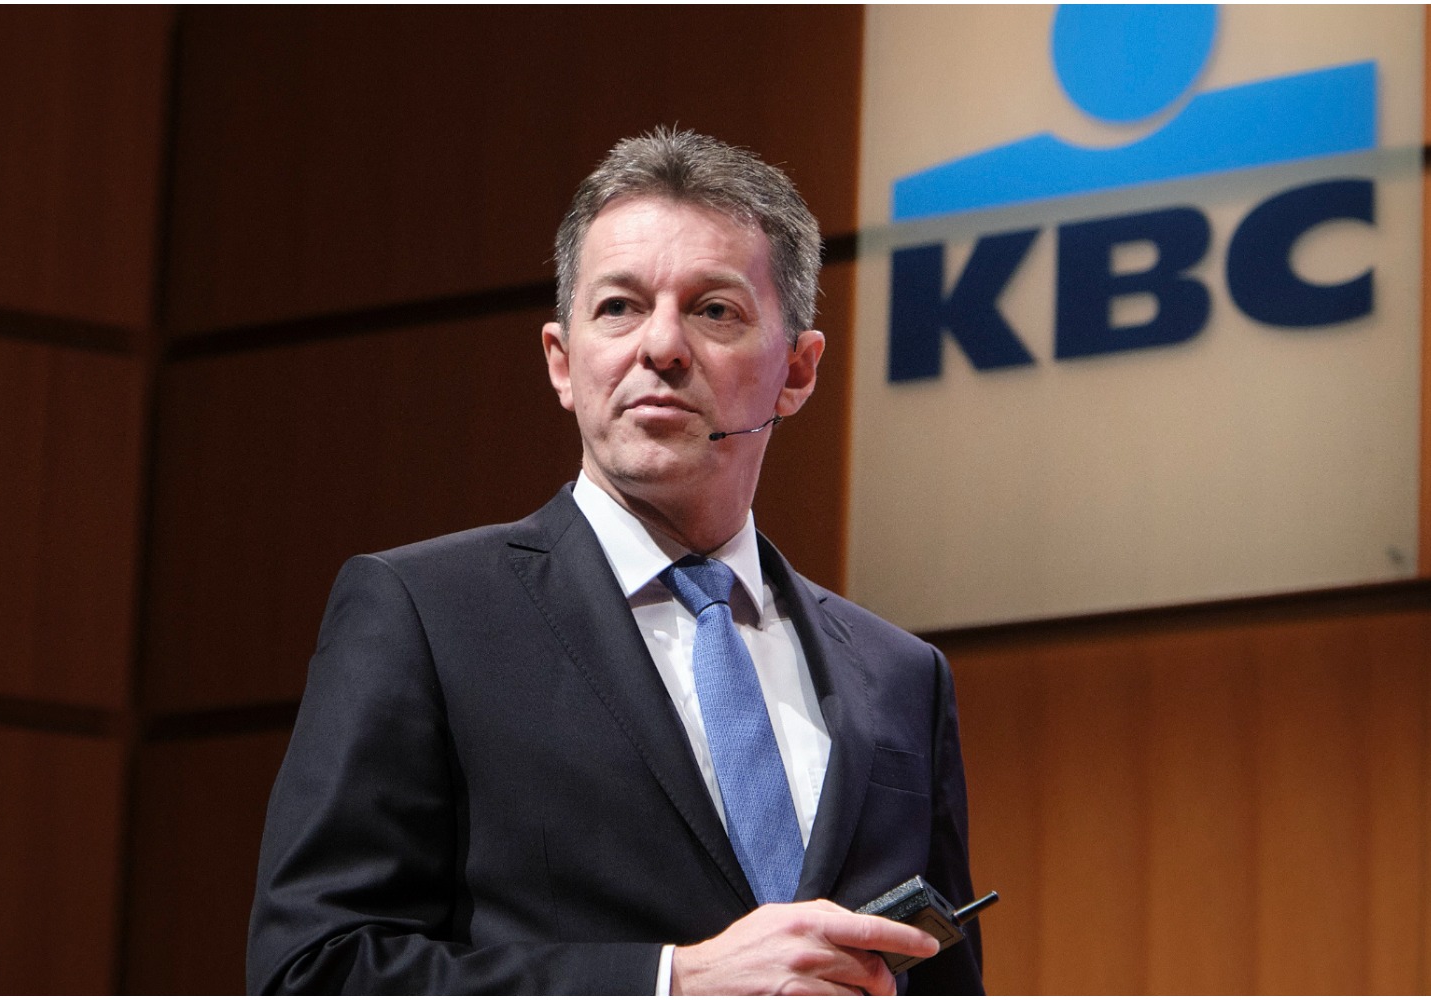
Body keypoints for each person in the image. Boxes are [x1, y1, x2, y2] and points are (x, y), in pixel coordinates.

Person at [248, 127, 984, 995]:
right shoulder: (426, 615)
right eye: (619, 308)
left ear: (798, 370)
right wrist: (670, 983)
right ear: (563, 363)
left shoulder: (902, 677)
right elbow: (314, 971)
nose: (661, 347)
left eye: (715, 311)